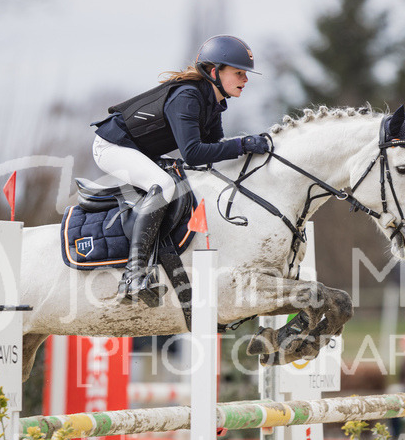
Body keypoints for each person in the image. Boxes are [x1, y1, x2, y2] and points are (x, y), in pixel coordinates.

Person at [90, 35, 271, 305]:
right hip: (112, 147)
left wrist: (246, 150)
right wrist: (243, 144)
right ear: (214, 72)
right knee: (164, 185)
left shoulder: (213, 102)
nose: (245, 79)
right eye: (239, 73)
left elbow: (210, 151)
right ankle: (134, 274)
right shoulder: (187, 97)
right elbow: (194, 153)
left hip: (140, 150)